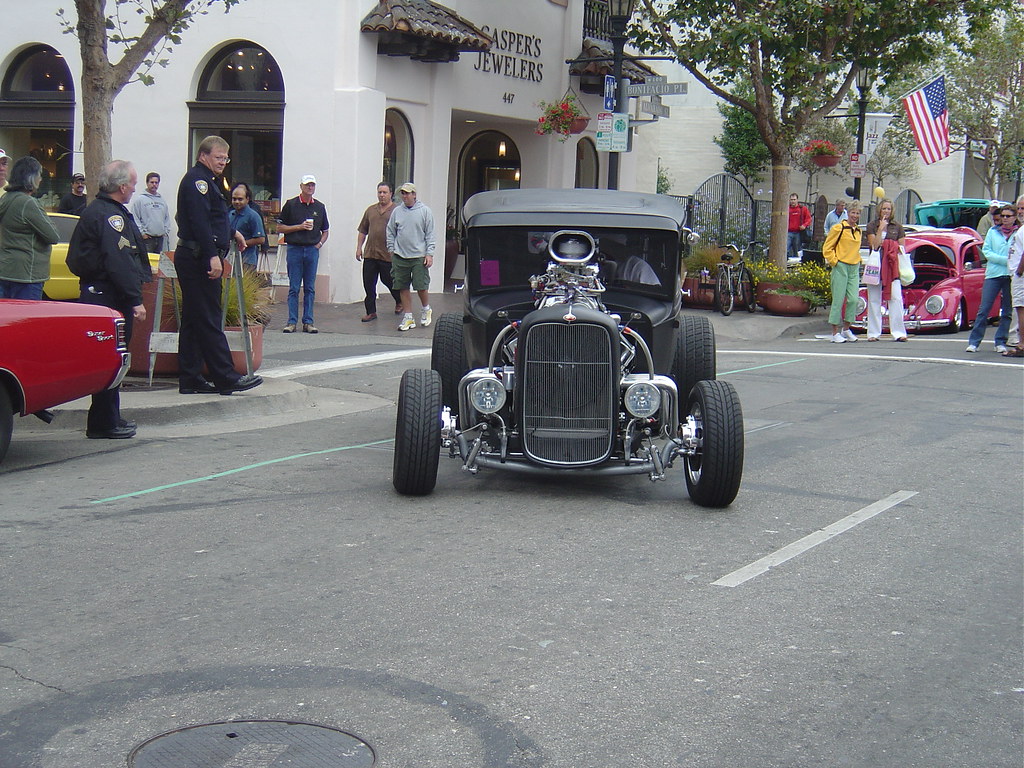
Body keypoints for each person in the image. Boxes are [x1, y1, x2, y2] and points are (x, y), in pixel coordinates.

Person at [66, 160, 151, 439]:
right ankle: (104, 422)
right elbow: (119, 261)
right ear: (122, 186)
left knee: (113, 357)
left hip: (101, 293)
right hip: (108, 296)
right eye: (133, 184)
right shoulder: (110, 217)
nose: (134, 189)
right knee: (112, 358)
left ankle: (109, 416)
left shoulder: (100, 211)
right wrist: (135, 299)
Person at [174, 135, 263, 395]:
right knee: (209, 318)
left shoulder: (208, 181)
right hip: (198, 257)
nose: (223, 162)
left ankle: (190, 378)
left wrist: (232, 232)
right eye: (218, 157)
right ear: (203, 156)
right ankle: (226, 376)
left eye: (226, 158)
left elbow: (213, 218)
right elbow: (199, 221)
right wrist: (212, 255)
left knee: (193, 320)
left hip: (197, 254)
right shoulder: (198, 182)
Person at [0, 156, 60, 300]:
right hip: (27, 274)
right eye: (39, 175)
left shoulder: (6, 198)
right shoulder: (28, 203)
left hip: (5, 269)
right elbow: (53, 236)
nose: (41, 179)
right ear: (31, 178)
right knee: (27, 313)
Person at [277, 174, 329, 333]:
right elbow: (279, 228)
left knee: (310, 288)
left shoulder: (319, 207)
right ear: (301, 186)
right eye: (307, 185)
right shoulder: (291, 204)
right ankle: (291, 322)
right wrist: (299, 227)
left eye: (312, 185)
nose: (310, 187)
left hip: (312, 249)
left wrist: (319, 245)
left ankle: (308, 322)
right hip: (295, 248)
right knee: (294, 287)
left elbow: (325, 230)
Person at [966, 204, 1016, 354]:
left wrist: (1012, 263)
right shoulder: (993, 231)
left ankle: (1000, 341)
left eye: (1008, 216)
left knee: (1007, 311)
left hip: (1011, 275)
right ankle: (974, 342)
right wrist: (1006, 260)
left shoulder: (1018, 233)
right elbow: (987, 251)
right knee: (984, 309)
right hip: (994, 274)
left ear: (1014, 218)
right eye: (1003, 216)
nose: (1005, 219)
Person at [387, 182, 435, 331]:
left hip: (419, 255)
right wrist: (391, 249)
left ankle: (426, 309)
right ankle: (408, 317)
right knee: (402, 286)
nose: (405, 196)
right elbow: (390, 231)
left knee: (421, 286)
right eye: (403, 193)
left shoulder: (425, 211)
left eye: (407, 193)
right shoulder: (397, 211)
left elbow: (430, 234)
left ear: (414, 194)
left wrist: (429, 254)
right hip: (400, 255)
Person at [356, 181, 402, 322]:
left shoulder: (397, 211)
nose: (382, 195)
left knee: (389, 280)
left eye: (384, 192)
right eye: (380, 192)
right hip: (370, 253)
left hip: (388, 255)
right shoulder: (371, 210)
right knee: (369, 284)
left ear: (391, 194)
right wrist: (359, 247)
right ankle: (371, 312)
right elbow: (363, 230)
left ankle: (399, 300)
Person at [864, 198, 908, 342]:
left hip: (892, 266)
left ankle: (898, 332)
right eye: (884, 208)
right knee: (874, 299)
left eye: (889, 209)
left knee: (896, 298)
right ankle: (873, 333)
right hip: (876, 265)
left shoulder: (898, 227)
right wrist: (880, 229)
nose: (886, 211)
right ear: (879, 210)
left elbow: (902, 248)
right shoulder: (872, 226)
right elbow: (874, 245)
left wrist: (890, 245)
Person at [822, 199, 863, 343]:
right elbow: (827, 248)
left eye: (857, 213)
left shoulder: (858, 231)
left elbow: (855, 248)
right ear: (848, 213)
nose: (855, 216)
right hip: (841, 266)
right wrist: (835, 262)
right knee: (838, 300)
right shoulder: (838, 228)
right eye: (853, 212)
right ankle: (834, 333)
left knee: (853, 299)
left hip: (854, 267)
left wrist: (858, 260)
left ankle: (846, 329)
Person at [129, 171, 172, 254]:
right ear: (147, 183)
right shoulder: (140, 200)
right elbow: (135, 218)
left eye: (156, 182)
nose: (154, 185)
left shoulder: (162, 201)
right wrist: (142, 233)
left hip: (160, 239)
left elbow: (166, 218)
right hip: (147, 240)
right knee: (147, 260)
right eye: (152, 182)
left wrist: (165, 232)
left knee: (159, 261)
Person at [229, 182, 266, 269]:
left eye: (240, 199)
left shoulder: (253, 216)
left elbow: (261, 239)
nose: (237, 202)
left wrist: (241, 243)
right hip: (230, 259)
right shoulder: (230, 214)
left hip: (247, 260)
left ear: (247, 199)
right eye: (234, 199)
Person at [1004, 195, 1024, 357]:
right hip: (1016, 274)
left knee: (1021, 309)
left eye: (1023, 208)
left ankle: (1022, 344)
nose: (1020, 211)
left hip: (1021, 276)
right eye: (1019, 208)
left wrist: (1019, 271)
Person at [786, 193, 811, 262]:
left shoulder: (802, 209)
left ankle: (798, 265)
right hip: (788, 232)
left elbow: (809, 219)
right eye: (791, 200)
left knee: (798, 251)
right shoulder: (786, 209)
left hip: (798, 233)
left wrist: (804, 225)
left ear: (797, 200)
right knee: (785, 250)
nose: (793, 201)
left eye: (794, 199)